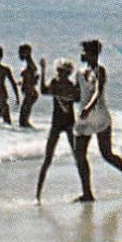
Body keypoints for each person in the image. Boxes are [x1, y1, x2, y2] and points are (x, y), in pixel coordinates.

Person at [71, 39, 122, 201]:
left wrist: (88, 107)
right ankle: (87, 193)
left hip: (99, 115)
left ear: (91, 54)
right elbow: (77, 94)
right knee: (79, 154)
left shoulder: (100, 71)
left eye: (84, 51)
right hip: (84, 117)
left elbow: (97, 91)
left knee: (106, 154)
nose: (81, 54)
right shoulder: (80, 72)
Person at [35, 60, 88, 201]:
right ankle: (37, 196)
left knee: (78, 158)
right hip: (57, 124)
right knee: (48, 158)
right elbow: (43, 91)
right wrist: (43, 70)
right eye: (58, 71)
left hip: (69, 123)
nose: (59, 74)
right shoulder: (56, 83)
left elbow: (77, 99)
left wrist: (79, 84)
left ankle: (86, 191)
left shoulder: (66, 85)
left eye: (62, 72)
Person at [16, 44, 42, 129]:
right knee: (24, 118)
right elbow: (33, 77)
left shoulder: (30, 64)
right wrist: (23, 82)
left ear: (26, 53)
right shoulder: (30, 64)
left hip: (30, 93)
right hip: (30, 92)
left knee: (23, 120)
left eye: (21, 52)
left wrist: (27, 82)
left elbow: (33, 77)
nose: (19, 55)